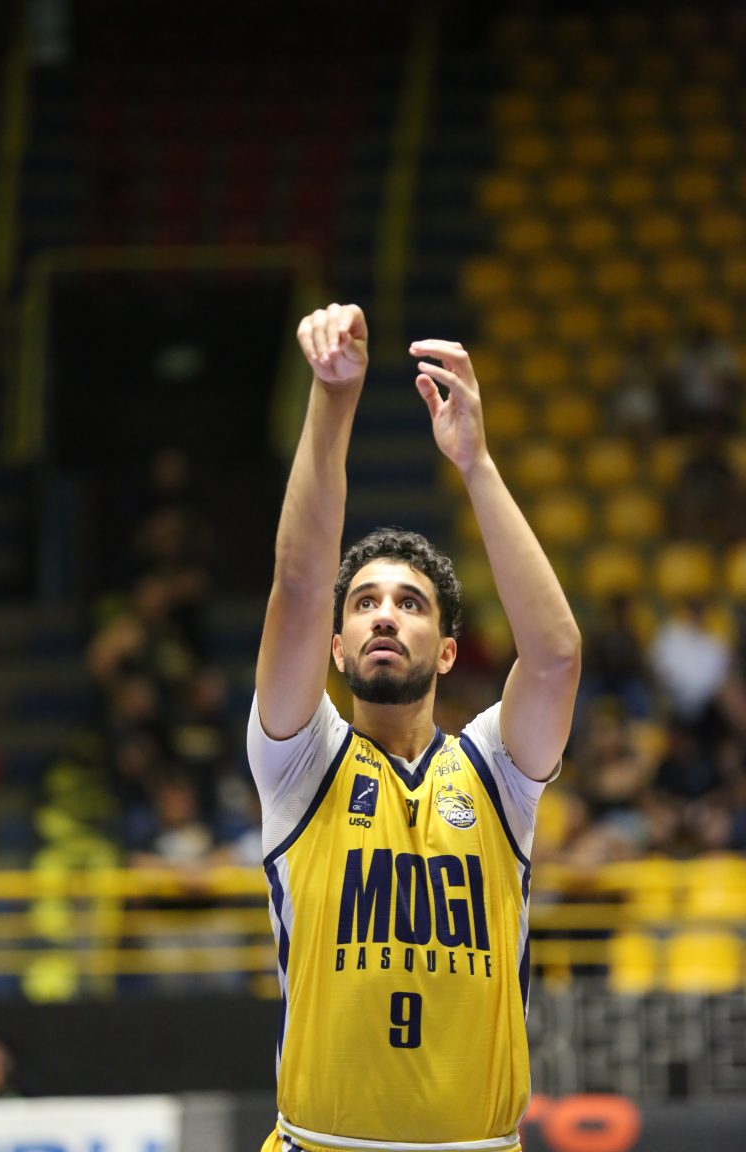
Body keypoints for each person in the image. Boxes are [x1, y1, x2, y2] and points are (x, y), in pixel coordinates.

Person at [247, 303, 581, 1152]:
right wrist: (333, 398)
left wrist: (477, 464)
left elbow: (554, 657)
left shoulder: (498, 772)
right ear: (335, 646)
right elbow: (297, 585)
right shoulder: (299, 761)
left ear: (448, 651)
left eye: (410, 604)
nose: (386, 616)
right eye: (364, 603)